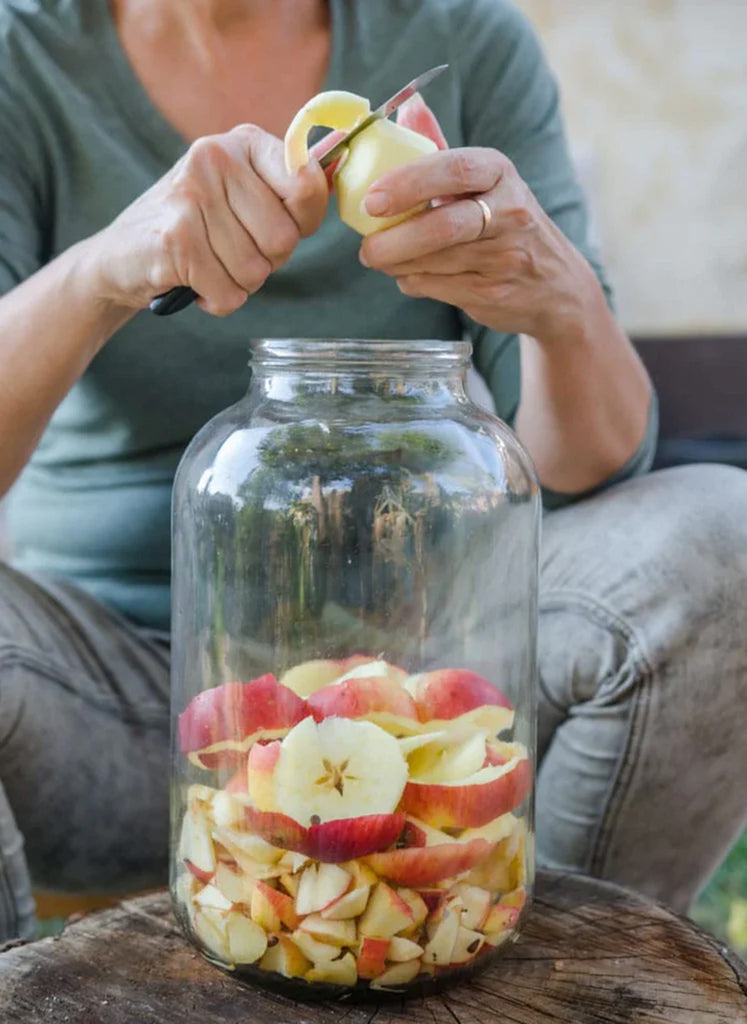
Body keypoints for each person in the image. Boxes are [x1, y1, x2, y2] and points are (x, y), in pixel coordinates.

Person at [0, 0, 745, 943]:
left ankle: (544, 979)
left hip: (444, 686)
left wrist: (559, 303)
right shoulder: (20, 55)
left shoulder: (466, 36)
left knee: (723, 540)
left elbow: (588, 467)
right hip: (105, 701)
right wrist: (101, 268)